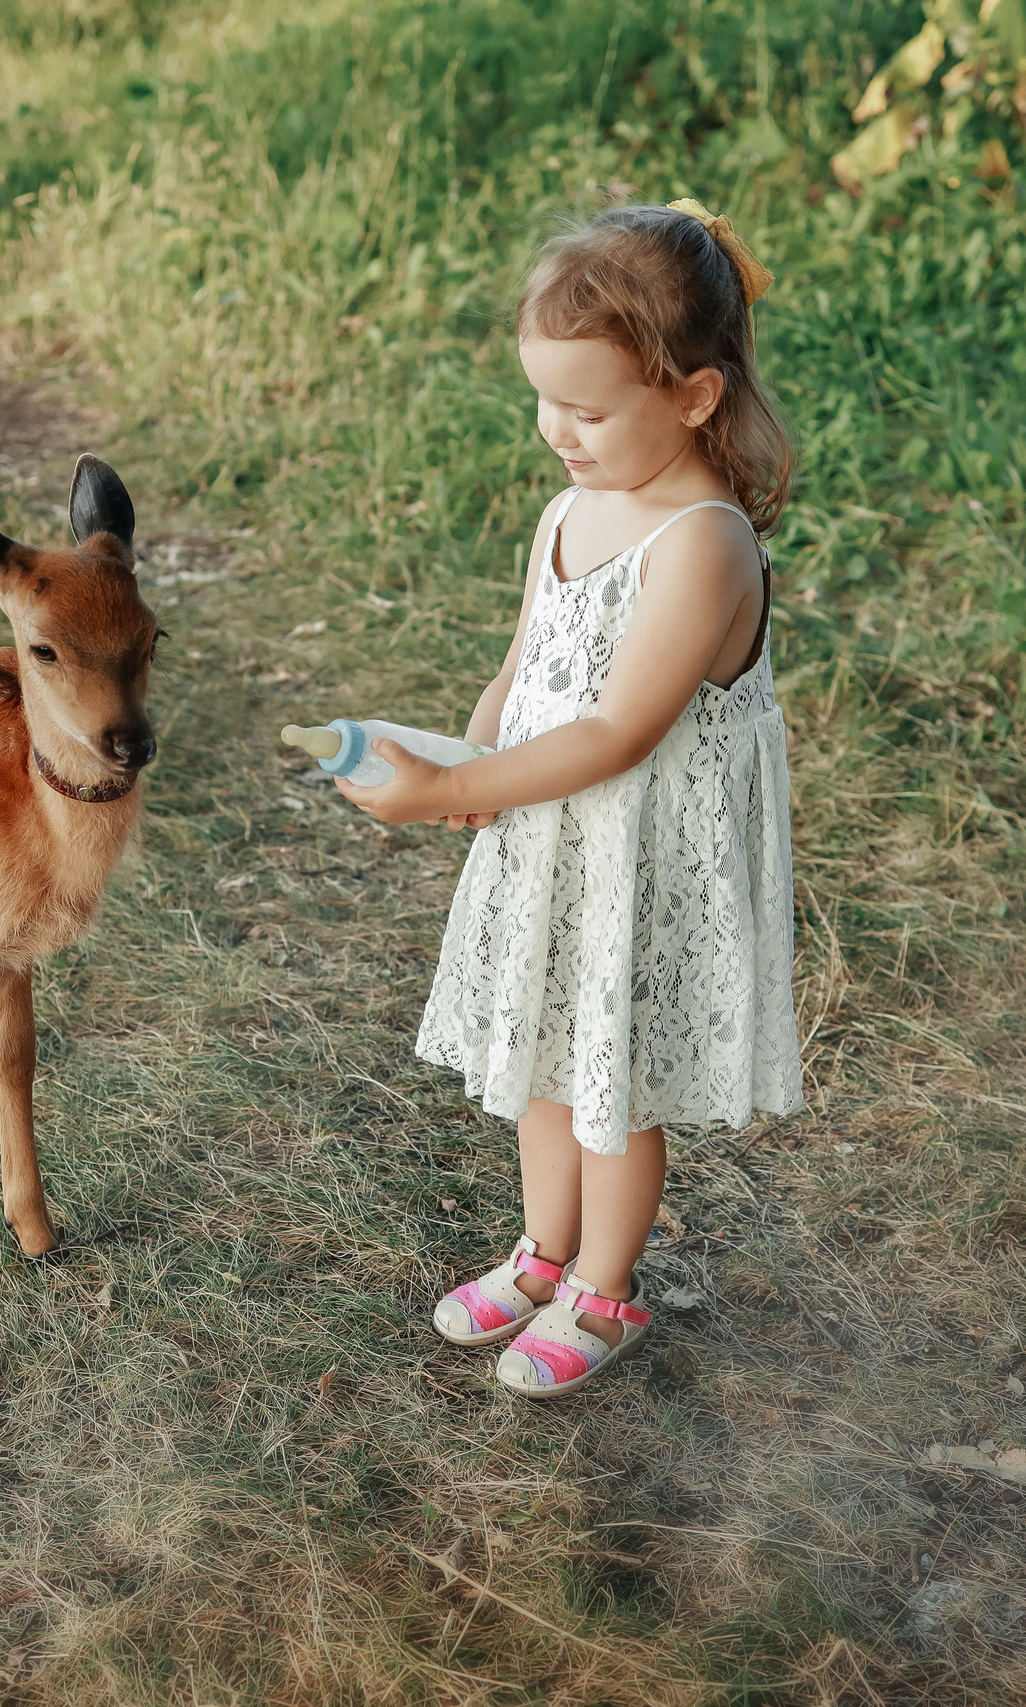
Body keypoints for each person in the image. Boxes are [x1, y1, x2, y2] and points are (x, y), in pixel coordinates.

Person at [336, 199, 803, 1399]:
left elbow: (616, 729)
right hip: (554, 845)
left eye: (588, 410)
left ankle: (604, 1282)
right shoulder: (566, 510)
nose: (558, 432)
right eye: (544, 400)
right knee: (542, 1064)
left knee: (611, 1085)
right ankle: (539, 1253)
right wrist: (467, 761)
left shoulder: (702, 543)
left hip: (642, 859)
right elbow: (526, 669)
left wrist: (455, 782)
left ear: (694, 396)